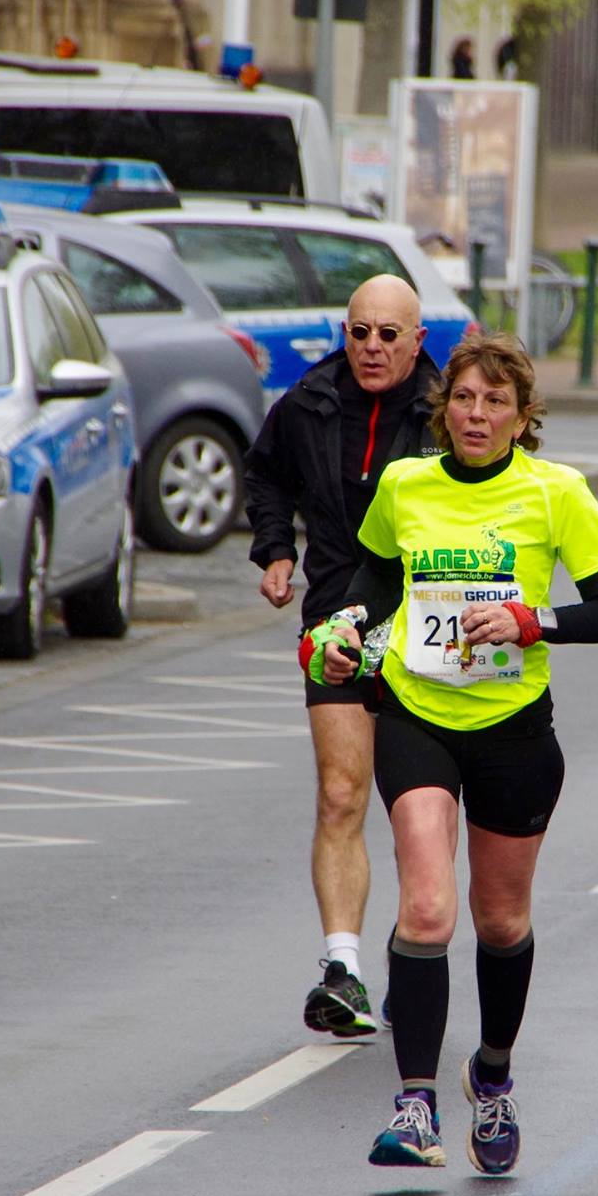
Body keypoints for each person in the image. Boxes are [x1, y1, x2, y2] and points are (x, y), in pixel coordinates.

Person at [311, 334, 598, 1175]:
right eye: (463, 399)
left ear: (524, 419)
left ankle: (491, 1075)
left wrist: (533, 621)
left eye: (495, 403)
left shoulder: (557, 494)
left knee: (500, 920)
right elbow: (375, 579)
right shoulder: (405, 483)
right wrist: (346, 629)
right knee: (426, 911)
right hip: (417, 711)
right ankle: (414, 1103)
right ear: (442, 408)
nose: (476, 415)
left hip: (514, 727)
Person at [245, 274, 443, 1038]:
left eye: (388, 334)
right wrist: (274, 550)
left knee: (419, 812)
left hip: (430, 624)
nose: (370, 347)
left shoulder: (445, 409)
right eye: (358, 332)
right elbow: (265, 476)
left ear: (417, 340)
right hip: (337, 617)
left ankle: (415, 949)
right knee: (340, 792)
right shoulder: (308, 403)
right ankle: (343, 969)